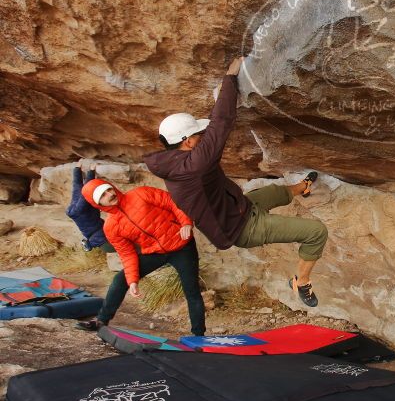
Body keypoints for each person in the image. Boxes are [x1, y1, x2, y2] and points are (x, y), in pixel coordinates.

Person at [144, 57, 326, 308]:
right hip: (242, 228)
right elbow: (220, 126)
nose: (202, 137)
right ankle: (301, 281)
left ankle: (302, 188)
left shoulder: (176, 160)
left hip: (239, 207)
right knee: (316, 232)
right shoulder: (194, 166)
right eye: (197, 135)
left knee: (274, 191)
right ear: (187, 141)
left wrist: (221, 99)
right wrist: (230, 78)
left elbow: (209, 132)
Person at [75, 178, 205, 336]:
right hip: (155, 252)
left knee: (191, 290)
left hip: (182, 245)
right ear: (98, 204)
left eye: (109, 189)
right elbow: (127, 254)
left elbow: (173, 202)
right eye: (103, 195)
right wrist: (133, 281)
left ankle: (198, 336)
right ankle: (101, 320)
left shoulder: (140, 194)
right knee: (120, 280)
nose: (110, 194)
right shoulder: (111, 227)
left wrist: (185, 223)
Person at [65, 163, 114, 253]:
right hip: (103, 238)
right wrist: (90, 171)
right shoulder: (81, 207)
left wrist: (78, 169)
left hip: (97, 232)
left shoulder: (78, 206)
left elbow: (78, 184)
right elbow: (86, 190)